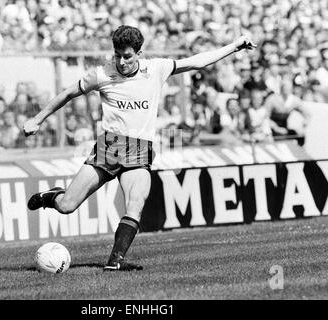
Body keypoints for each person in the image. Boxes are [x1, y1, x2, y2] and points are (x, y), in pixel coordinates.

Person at [23, 25, 256, 271]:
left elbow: (197, 62)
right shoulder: (102, 74)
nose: (121, 62)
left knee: (136, 202)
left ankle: (115, 260)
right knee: (67, 206)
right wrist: (38, 119)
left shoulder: (156, 69)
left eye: (127, 56)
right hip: (109, 148)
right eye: (117, 55)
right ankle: (51, 197)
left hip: (139, 150)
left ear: (139, 53)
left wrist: (235, 46)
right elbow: (68, 93)